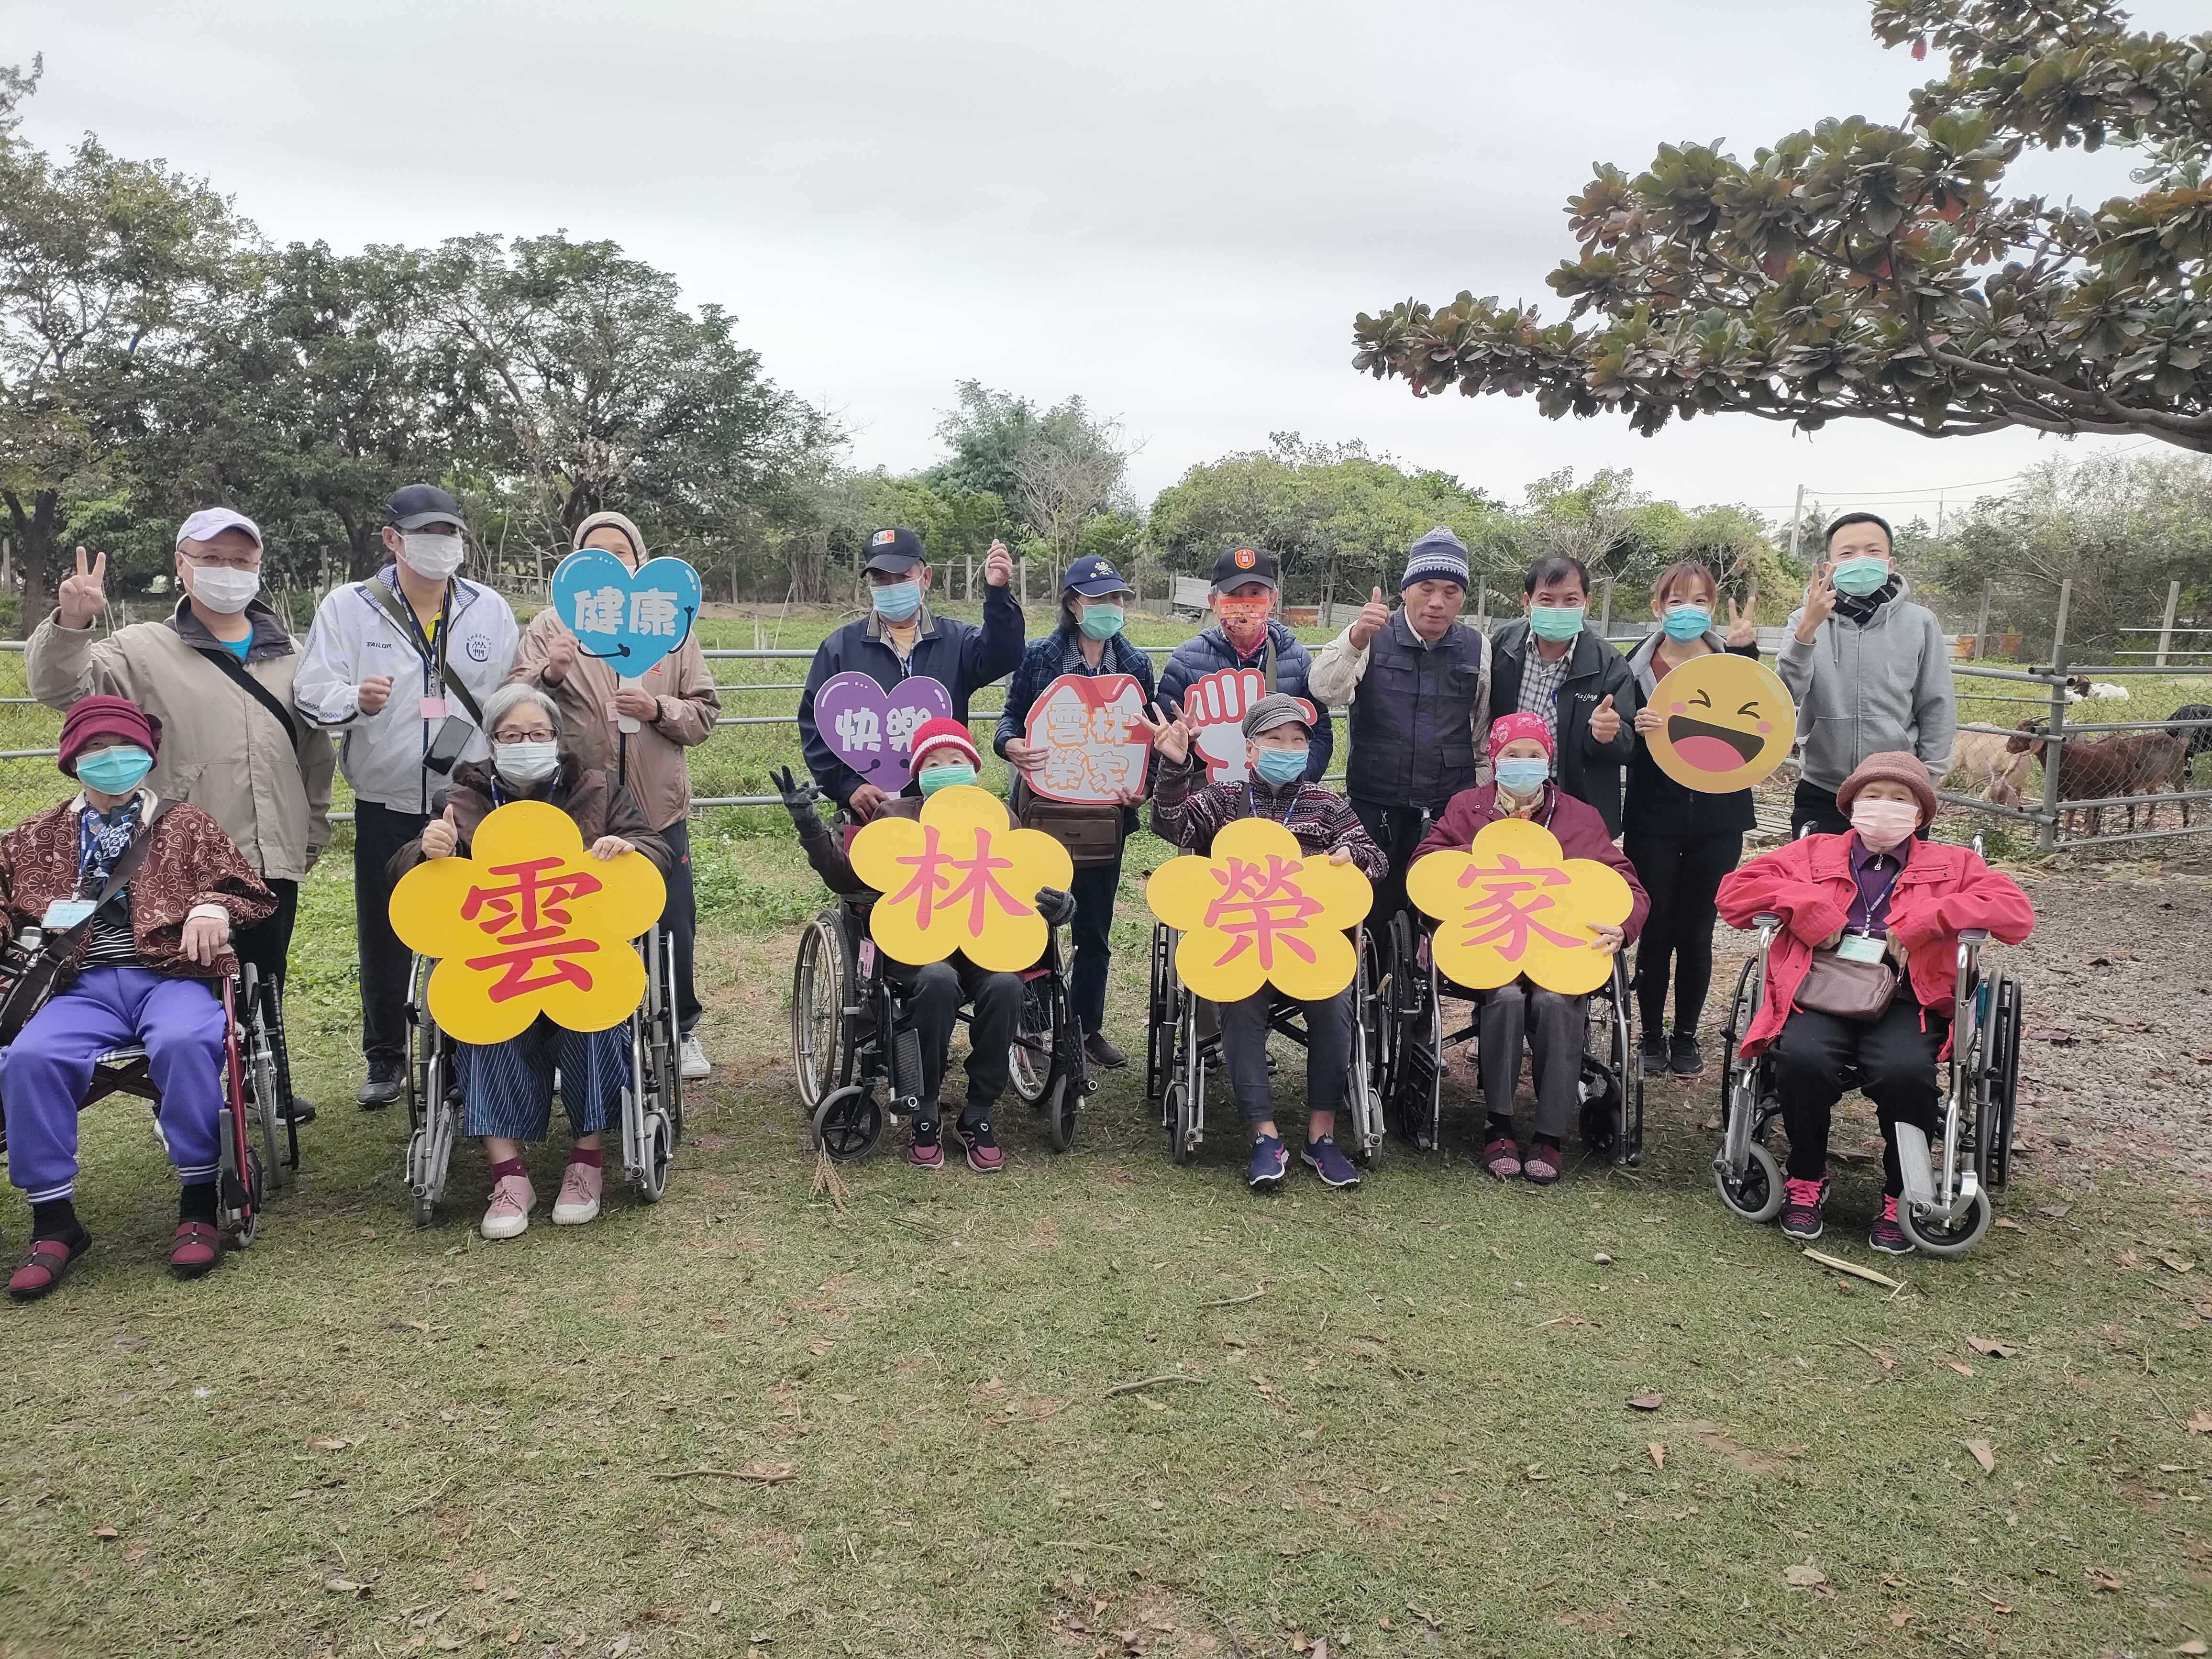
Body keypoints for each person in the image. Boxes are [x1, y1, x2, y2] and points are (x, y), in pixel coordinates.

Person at [26, 510, 336, 1122]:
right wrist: (72, 623)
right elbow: (61, 689)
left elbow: (314, 752)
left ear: (258, 570)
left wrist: (313, 826)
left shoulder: (293, 654)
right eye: (212, 559)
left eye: (242, 562)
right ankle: (196, 1096)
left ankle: (264, 1085)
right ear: (181, 566)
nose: (228, 573)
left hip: (273, 846)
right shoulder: (141, 650)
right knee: (191, 975)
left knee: (265, 972)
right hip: (182, 857)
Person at [0, 696, 274, 1299]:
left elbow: (250, 894)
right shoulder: (33, 837)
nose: (112, 759)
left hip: (172, 975)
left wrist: (212, 907)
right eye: (96, 749)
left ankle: (199, 1197)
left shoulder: (187, 825)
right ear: (73, 761)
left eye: (124, 747)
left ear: (147, 755)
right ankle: (54, 1221)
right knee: (30, 1058)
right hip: (77, 985)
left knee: (188, 1038)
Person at [1716, 752, 2032, 1251]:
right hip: (1820, 987)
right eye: (1872, 797)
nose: (1884, 808)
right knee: (1802, 1058)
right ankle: (1805, 1177)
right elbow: (1734, 893)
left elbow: (2015, 914)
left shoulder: (1955, 865)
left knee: (1905, 1070)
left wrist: (1927, 919)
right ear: (1850, 806)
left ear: (1920, 816)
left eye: (1899, 799)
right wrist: (1808, 908)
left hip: (1910, 996)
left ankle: (1903, 1189)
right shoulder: (1812, 854)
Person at [389, 684, 671, 1240]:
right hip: (498, 955)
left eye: (538, 735)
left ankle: (586, 1160)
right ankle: (508, 1172)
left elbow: (654, 846)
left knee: (598, 1013)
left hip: (576, 947)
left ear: (556, 739)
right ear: (492, 743)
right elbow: (408, 876)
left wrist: (629, 848)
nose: (527, 744)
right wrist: (429, 850)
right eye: (513, 736)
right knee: (478, 1021)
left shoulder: (596, 788)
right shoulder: (462, 798)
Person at [294, 484, 519, 1110]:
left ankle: (463, 1048)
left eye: (450, 532)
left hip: (469, 800)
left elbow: (507, 693)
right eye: (425, 533)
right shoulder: (347, 608)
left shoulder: (489, 609)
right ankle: (386, 1058)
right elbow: (311, 691)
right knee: (388, 930)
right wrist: (353, 703)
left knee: (474, 929)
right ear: (391, 538)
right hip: (386, 802)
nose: (439, 544)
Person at [776, 718, 1074, 1174]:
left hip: (986, 942)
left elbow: (1030, 883)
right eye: (934, 763)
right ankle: (927, 1107)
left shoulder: (1000, 818)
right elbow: (849, 878)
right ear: (919, 773)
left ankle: (978, 1112)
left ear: (974, 769)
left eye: (956, 761)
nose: (946, 769)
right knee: (937, 982)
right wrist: (812, 828)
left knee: (1006, 988)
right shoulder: (894, 818)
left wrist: (1058, 905)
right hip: (918, 945)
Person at [1146, 693, 1388, 1193]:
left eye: (1297, 740)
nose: (1288, 748)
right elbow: (1172, 826)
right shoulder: (1223, 799)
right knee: (1237, 999)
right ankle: (1264, 1134)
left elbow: (1376, 859)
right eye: (1275, 740)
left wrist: (1350, 856)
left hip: (1308, 949)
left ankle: (1322, 1135)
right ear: (1250, 750)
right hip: (1240, 945)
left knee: (1335, 1000)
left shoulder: (1327, 805)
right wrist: (1173, 769)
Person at [511, 510, 720, 1081]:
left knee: (672, 920)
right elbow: (513, 710)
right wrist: (549, 674)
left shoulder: (671, 621)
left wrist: (659, 710)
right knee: (575, 923)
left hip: (657, 806)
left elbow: (705, 714)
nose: (612, 564)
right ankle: (577, 1037)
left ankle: (680, 1030)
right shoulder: (551, 627)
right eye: (595, 553)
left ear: (639, 559)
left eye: (621, 553)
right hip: (577, 810)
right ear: (575, 566)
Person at [1411, 714, 1648, 1185]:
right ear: (1494, 760)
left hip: (1558, 945)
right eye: (1512, 756)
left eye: (1533, 755)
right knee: (1504, 998)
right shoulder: (1467, 808)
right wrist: (1475, 865)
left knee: (1558, 1001)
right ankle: (1497, 1123)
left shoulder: (1579, 816)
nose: (1523, 764)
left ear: (1549, 760)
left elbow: (1628, 886)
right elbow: (1425, 866)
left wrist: (1623, 927)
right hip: (1491, 941)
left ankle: (1549, 1133)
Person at [993, 554, 1156, 1071]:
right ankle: (1038, 1033)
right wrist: (1011, 746)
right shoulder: (1040, 655)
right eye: (1100, 598)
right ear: (1072, 603)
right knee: (1037, 919)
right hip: (1044, 811)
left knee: (1095, 930)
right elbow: (1009, 719)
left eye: (1117, 598)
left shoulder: (1135, 664)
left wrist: (1142, 787)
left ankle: (1087, 1029)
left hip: (1105, 818)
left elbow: (1145, 740)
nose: (1112, 608)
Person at [1309, 526, 1490, 928]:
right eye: (1426, 588)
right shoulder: (1371, 633)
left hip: (1449, 809)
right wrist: (1356, 637)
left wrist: (1477, 802)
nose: (1437, 602)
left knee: (1441, 914)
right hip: (1376, 805)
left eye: (1451, 591)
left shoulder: (1478, 647)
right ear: (1406, 589)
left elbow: (1482, 734)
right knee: (1369, 912)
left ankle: (1428, 989)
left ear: (1463, 597)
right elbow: (1324, 690)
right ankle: (1371, 988)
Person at [1622, 560, 1760, 1078]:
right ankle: (1651, 1036)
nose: (1688, 610)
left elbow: (1765, 719)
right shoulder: (1632, 667)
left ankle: (1686, 1037)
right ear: (1657, 607)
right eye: (1677, 600)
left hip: (1720, 816)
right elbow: (1617, 744)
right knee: (1655, 928)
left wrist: (1748, 651)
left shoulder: (1735, 661)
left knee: (1697, 930)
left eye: (1700, 601)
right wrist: (1632, 731)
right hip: (1652, 814)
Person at [796, 529, 1022, 820]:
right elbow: (815, 724)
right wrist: (848, 786)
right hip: (871, 809)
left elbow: (1005, 655)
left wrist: (998, 593)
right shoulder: (840, 649)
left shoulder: (957, 641)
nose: (891, 587)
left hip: (944, 802)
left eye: (903, 578)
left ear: (925, 578)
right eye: (881, 579)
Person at [1777, 513, 1957, 836]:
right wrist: (1807, 630)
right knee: (1817, 884)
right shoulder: (1802, 621)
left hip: (1899, 790)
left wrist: (1925, 777)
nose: (1860, 560)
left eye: (1873, 551)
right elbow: (1785, 693)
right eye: (1847, 553)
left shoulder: (1920, 623)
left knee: (1897, 885)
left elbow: (1937, 702)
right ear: (1828, 565)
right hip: (1823, 788)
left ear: (1890, 563)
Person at [1484, 553, 1637, 837]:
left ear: (1587, 603)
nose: (1558, 608)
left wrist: (1607, 735)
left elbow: (1629, 746)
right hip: (1502, 797)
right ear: (1527, 602)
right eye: (1546, 599)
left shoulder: (1609, 664)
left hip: (1575, 805)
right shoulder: (1503, 645)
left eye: (1570, 600)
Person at [1156, 546, 1333, 785]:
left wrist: (1295, 778)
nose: (1244, 605)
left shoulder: (1297, 660)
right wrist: (1188, 747)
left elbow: (1320, 734)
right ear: (1213, 601)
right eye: (1233, 594)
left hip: (1278, 802)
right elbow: (1164, 740)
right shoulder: (1187, 661)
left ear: (1272, 599)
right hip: (1209, 802)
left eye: (1255, 593)